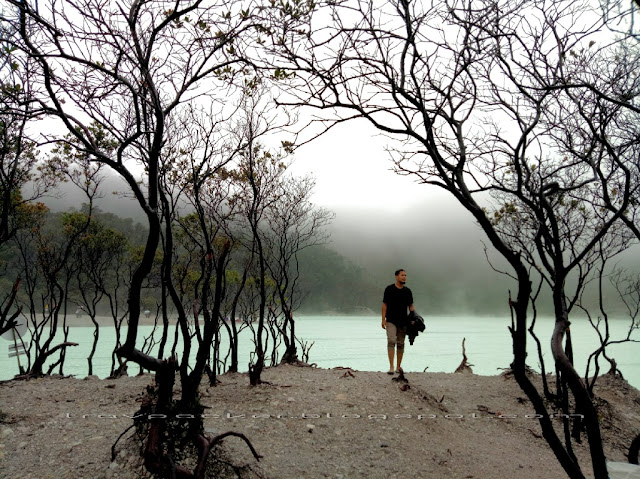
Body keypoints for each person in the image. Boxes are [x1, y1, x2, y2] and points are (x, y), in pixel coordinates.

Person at [382, 268, 415, 374]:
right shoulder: (389, 289)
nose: (404, 277)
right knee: (391, 341)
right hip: (391, 320)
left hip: (403, 321)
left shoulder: (407, 291)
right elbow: (384, 304)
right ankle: (391, 367)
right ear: (396, 276)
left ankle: (398, 367)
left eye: (405, 275)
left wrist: (414, 318)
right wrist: (383, 319)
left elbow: (411, 306)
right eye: (402, 275)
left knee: (401, 343)